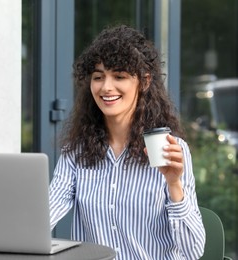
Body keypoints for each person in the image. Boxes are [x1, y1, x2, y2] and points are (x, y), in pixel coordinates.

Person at [49, 25, 205, 259]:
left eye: (119, 76)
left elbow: (193, 251)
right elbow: (46, 214)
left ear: (144, 81)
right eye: (98, 77)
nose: (106, 87)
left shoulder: (170, 150)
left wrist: (174, 184)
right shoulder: (76, 152)